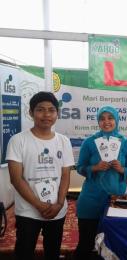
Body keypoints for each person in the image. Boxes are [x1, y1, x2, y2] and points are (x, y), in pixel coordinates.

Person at [6, 91, 74, 260]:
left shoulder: (63, 141)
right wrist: (39, 205)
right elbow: (16, 178)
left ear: (57, 114)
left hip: (57, 210)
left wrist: (59, 203)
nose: (46, 115)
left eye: (51, 110)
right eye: (40, 110)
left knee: (52, 251)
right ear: (31, 113)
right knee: (24, 251)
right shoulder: (18, 140)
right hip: (28, 211)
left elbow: (65, 175)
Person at [74, 105, 127, 260]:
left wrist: (122, 170)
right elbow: (80, 168)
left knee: (114, 244)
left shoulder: (126, 143)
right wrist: (94, 168)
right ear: (98, 121)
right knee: (86, 243)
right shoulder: (90, 142)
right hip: (90, 199)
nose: (106, 122)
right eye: (102, 118)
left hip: (116, 200)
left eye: (110, 118)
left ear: (116, 120)